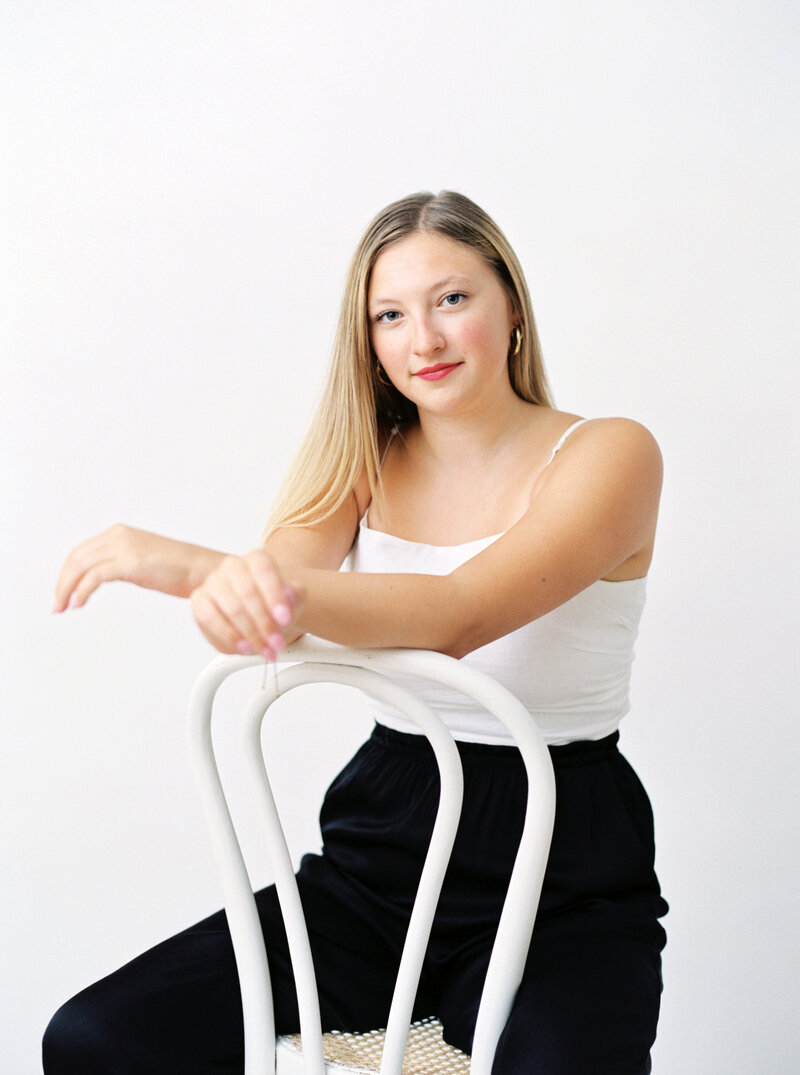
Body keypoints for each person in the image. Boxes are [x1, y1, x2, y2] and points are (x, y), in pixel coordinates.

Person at [43, 190, 668, 1073]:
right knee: (96, 1037)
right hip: (383, 848)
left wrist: (195, 566)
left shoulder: (613, 452)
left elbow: (457, 615)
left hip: (562, 861)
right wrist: (242, 595)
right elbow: (278, 586)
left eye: (453, 298)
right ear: (367, 340)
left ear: (512, 305)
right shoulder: (361, 459)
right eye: (391, 314)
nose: (425, 340)